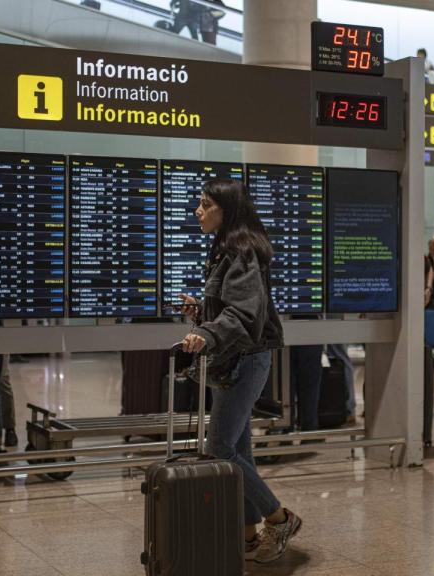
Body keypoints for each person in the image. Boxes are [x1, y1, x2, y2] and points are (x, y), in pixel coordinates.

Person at [179, 179, 302, 564]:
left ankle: (279, 519)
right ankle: (248, 535)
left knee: (219, 448)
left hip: (245, 360)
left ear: (227, 210)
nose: (198, 211)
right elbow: (231, 307)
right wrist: (202, 312)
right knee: (239, 449)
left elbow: (245, 314)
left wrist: (207, 332)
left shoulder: (242, 250)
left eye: (206, 204)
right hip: (234, 358)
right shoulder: (226, 248)